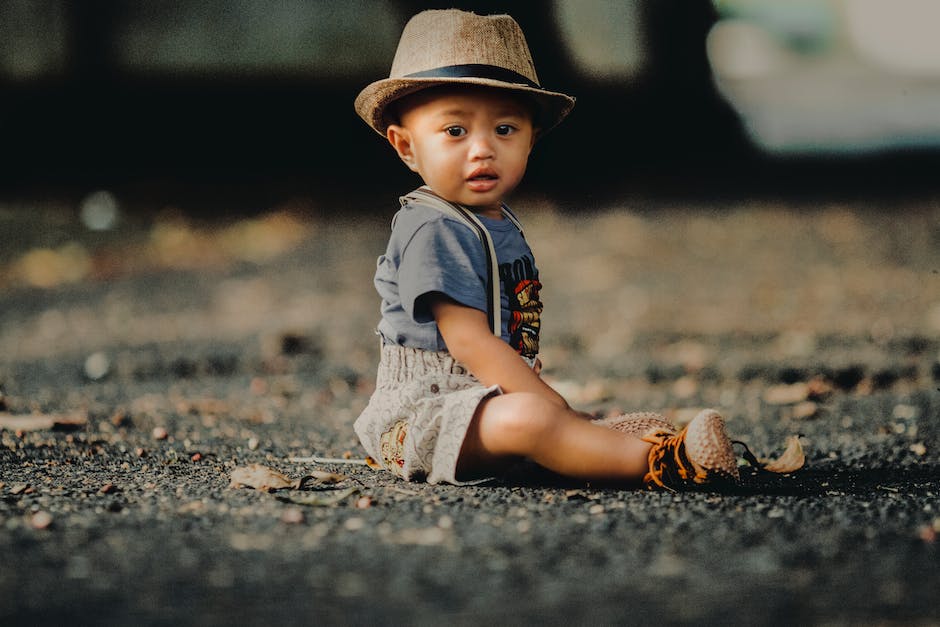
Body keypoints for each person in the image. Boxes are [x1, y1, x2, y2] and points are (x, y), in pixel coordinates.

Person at [352, 8, 739, 490]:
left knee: (537, 417)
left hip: (482, 400)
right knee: (532, 419)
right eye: (455, 131)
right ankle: (663, 462)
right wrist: (549, 403)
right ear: (406, 147)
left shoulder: (495, 223)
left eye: (505, 130)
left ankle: (594, 442)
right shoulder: (432, 228)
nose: (482, 149)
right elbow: (468, 340)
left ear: (531, 140)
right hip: (422, 419)